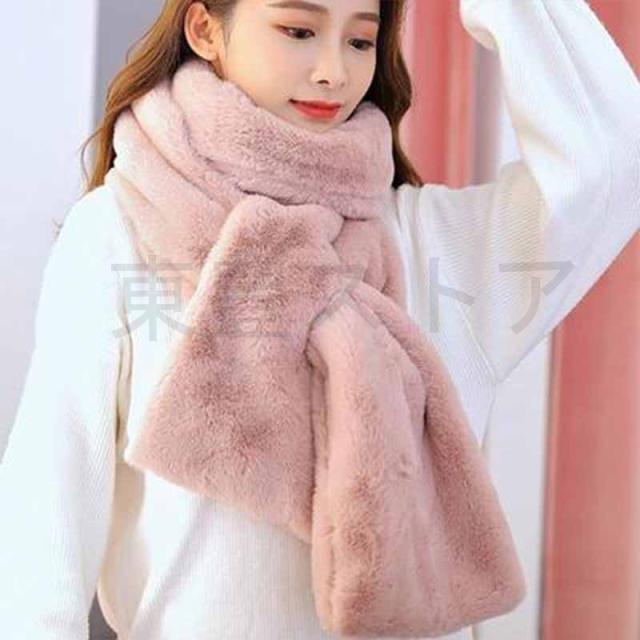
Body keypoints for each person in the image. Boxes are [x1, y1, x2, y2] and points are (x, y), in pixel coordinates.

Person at [1, 1, 638, 639]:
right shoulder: (117, 231)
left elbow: (610, 164)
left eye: (361, 42)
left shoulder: (432, 247)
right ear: (205, 29)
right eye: (299, 31)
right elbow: (47, 514)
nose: (333, 70)